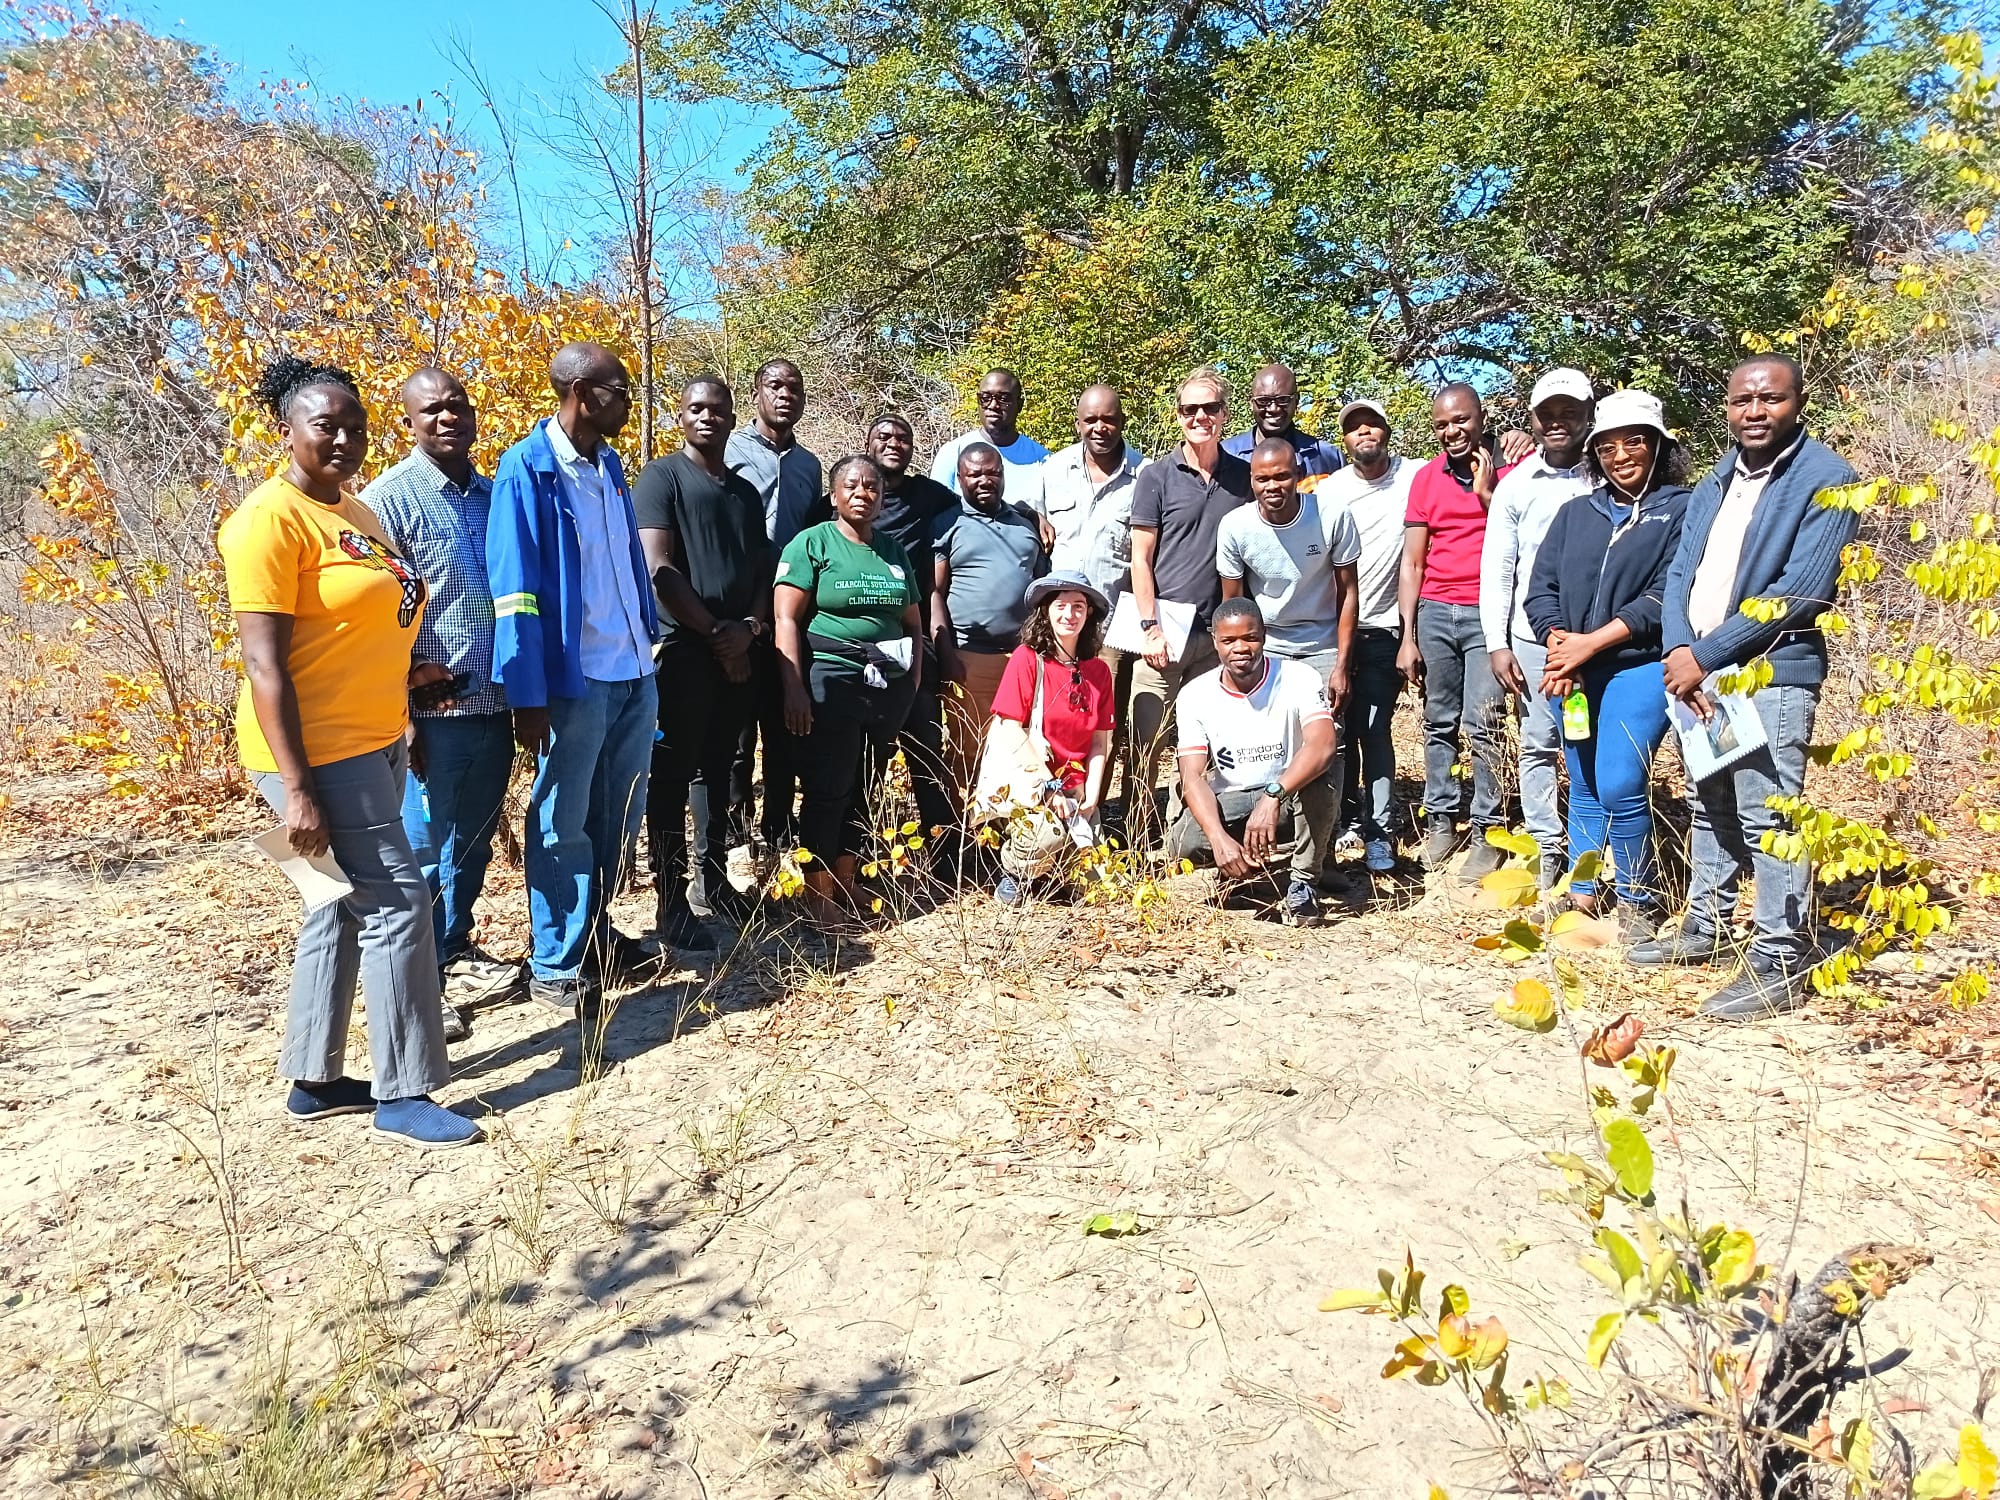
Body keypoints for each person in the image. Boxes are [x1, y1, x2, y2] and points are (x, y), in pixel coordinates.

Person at [217, 354, 479, 1150]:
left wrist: (408, 681)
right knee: (401, 902)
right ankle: (405, 1092)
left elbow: (366, 621)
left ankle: (315, 1079)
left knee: (333, 903)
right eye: (325, 425)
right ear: (286, 430)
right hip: (313, 756)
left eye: (354, 426)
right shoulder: (268, 520)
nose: (343, 439)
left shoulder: (357, 515)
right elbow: (265, 664)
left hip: (375, 737)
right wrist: (297, 791)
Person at [1633, 354, 1860, 1021]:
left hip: (1770, 673)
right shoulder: (1716, 481)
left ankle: (1782, 957)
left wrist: (1702, 654)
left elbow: (1801, 593)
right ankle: (1705, 927)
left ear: (1800, 403)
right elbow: (1681, 574)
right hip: (1701, 678)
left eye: (1770, 399)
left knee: (1771, 816)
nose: (1754, 412)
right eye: (1741, 401)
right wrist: (1680, 651)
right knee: (1713, 805)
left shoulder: (1828, 479)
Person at [488, 342, 658, 1016]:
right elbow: (515, 593)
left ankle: (594, 935)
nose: (629, 401)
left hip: (635, 672)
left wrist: (649, 640)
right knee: (561, 821)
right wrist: (529, 696)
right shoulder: (525, 472)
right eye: (620, 389)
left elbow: (625, 566)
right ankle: (557, 962)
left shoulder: (610, 465)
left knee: (617, 815)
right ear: (584, 392)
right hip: (573, 683)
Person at [364, 369, 524, 1035]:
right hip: (429, 715)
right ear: (407, 423)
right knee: (422, 849)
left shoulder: (495, 497)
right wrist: (400, 705)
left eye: (458, 405)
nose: (447, 418)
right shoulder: (386, 502)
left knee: (473, 844)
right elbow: (368, 612)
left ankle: (454, 948)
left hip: (495, 702)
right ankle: (419, 982)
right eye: (431, 410)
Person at [1522, 389, 1689, 942]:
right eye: (1609, 445)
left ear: (1658, 445)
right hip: (1569, 671)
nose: (1621, 455)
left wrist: (1589, 644)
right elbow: (1540, 588)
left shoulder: (1680, 509)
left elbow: (1666, 597)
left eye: (1634, 442)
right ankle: (1583, 892)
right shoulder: (1576, 514)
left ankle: (1640, 897)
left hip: (1636, 667)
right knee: (1586, 780)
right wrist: (1560, 645)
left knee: (1620, 778)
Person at [635, 377, 772, 954]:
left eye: (718, 408)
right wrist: (716, 632)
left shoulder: (742, 491)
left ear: (732, 414)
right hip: (685, 652)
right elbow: (657, 565)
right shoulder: (661, 478)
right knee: (674, 774)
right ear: (681, 417)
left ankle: (714, 882)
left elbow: (763, 571)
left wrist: (748, 632)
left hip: (739, 652)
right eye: (696, 408)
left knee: (721, 769)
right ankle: (671, 900)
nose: (708, 417)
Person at [774, 455, 924, 925]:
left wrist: (913, 682)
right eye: (852, 486)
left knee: (865, 786)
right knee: (828, 786)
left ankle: (847, 881)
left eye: (872, 487)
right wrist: (794, 688)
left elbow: (913, 623)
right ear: (835, 495)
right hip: (831, 679)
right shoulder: (811, 543)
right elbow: (786, 619)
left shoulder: (893, 551)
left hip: (886, 686)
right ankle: (816, 892)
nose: (864, 493)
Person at [1217, 436, 1360, 879]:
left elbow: (1348, 593)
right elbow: (1233, 609)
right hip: (1267, 645)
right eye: (1262, 478)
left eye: (1281, 476)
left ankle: (1313, 867)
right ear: (1252, 481)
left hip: (1321, 645)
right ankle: (1258, 851)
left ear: (1297, 476)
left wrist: (1341, 664)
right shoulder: (1236, 527)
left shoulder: (1331, 516)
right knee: (1266, 748)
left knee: (1323, 751)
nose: (1272, 485)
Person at [1480, 368, 1600, 890]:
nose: (1558, 423)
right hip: (1533, 644)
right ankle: (1546, 846)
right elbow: (1499, 567)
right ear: (1533, 419)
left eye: (1569, 413)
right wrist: (1497, 642)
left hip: (1598, 641)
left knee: (1586, 743)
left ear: (1588, 416)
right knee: (1538, 743)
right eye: (1547, 414)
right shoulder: (1516, 485)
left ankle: (1588, 852)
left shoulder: (1606, 474)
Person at [1128, 365, 1252, 847]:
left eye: (1210, 408)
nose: (1201, 416)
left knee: (1204, 745)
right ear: (1178, 416)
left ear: (1225, 413)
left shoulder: (1244, 477)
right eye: (1190, 409)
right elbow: (1141, 556)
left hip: (1219, 634)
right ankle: (1138, 836)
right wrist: (1149, 626)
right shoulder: (1156, 476)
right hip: (1165, 632)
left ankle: (1188, 837)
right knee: (1146, 742)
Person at [1400, 382, 1514, 879]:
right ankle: (1441, 820)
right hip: (1436, 611)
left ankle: (1490, 829)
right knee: (1438, 719)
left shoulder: (1512, 471)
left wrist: (1490, 494)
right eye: (1443, 424)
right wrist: (1408, 634)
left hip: (1488, 614)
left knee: (1485, 721)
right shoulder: (1426, 478)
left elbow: (1519, 540)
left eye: (1461, 421)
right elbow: (1413, 561)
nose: (1452, 432)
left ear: (1481, 418)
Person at [1168, 597, 1337, 926]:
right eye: (1229, 640)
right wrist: (1218, 838)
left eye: (1251, 637)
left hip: (1287, 795)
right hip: (1232, 800)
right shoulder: (1194, 694)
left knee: (1320, 779)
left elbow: (1323, 745)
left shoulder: (1299, 677)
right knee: (1183, 842)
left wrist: (1273, 795)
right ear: (1215, 641)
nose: (1240, 648)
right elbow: (1193, 776)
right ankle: (1237, 867)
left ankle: (1303, 883)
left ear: (1264, 636)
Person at [725, 358, 823, 865]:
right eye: (775, 386)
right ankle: (734, 835)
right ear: (757, 393)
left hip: (792, 609)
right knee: (738, 732)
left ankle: (780, 830)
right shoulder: (729, 447)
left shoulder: (809, 465)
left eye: (795, 388)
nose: (786, 395)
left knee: (786, 728)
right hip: (739, 604)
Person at [1319, 398, 1417, 873]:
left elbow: (1468, 455)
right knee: (1336, 732)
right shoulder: (1331, 489)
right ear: (1345, 439)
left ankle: (1381, 833)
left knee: (1374, 731)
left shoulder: (1414, 476)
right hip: (1335, 631)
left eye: (1372, 425)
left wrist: (1507, 444)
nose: (1365, 434)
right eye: (1355, 428)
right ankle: (1337, 824)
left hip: (1385, 628)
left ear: (1386, 431)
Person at [979, 572, 1117, 907]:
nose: (1070, 614)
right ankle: (1014, 872)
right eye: (1061, 606)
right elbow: (1010, 727)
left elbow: (1100, 741)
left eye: (1079, 606)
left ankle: (1051, 873)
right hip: (1032, 784)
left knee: (1098, 886)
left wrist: (1093, 794)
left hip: (1075, 789)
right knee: (1045, 836)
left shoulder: (1097, 671)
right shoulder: (1028, 659)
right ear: (1046, 612)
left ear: (1089, 615)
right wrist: (1048, 785)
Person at [1041, 384, 1145, 824]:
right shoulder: (1053, 470)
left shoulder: (1146, 474)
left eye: (1109, 419)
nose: (1100, 427)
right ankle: (1055, 811)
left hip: (1112, 624)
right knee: (1058, 720)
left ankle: (1099, 812)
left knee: (1106, 725)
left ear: (1122, 420)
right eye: (1091, 420)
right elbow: (1035, 526)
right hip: (1060, 620)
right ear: (1078, 421)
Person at [864, 413, 961, 859]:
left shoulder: (929, 495)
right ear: (868, 444)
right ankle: (857, 849)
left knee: (926, 742)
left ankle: (942, 848)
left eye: (903, 438)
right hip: (859, 644)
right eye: (884, 436)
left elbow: (979, 501)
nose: (894, 443)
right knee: (866, 752)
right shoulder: (847, 498)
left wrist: (1026, 513)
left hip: (913, 635)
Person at [932, 442, 1048, 793]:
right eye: (975, 473)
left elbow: (1041, 589)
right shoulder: (948, 523)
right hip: (970, 655)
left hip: (1023, 657)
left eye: (992, 472)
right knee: (968, 747)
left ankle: (1010, 832)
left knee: (1021, 747)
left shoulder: (1026, 524)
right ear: (960, 477)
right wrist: (946, 652)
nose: (985, 480)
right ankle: (963, 835)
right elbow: (935, 591)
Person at [931, 368, 1049, 515]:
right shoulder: (952, 453)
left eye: (1003, 398)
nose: (993, 405)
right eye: (985, 398)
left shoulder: (1044, 460)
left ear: (1020, 405)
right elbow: (936, 511)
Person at [1221, 363, 1344, 478]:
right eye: (1263, 401)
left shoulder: (1328, 457)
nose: (1273, 409)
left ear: (1296, 401)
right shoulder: (1224, 456)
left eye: (1283, 400)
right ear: (1251, 402)